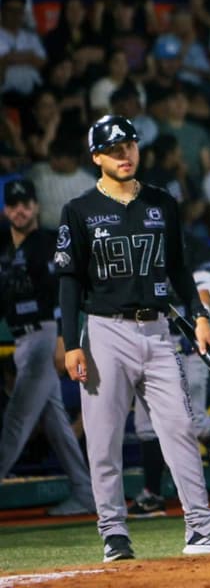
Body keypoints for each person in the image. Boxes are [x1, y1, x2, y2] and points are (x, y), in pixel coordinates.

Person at [55, 115, 210, 562]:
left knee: (181, 427)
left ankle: (201, 527)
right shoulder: (80, 210)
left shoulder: (162, 203)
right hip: (104, 331)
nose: (124, 154)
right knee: (104, 438)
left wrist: (199, 315)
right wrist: (71, 342)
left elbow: (182, 269)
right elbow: (69, 282)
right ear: (96, 158)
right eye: (113, 149)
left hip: (160, 329)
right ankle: (113, 533)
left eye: (128, 145)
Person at [129, 235, 210, 519]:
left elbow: (206, 296)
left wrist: (196, 315)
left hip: (187, 347)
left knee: (193, 420)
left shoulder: (191, 246)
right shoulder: (133, 241)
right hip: (150, 345)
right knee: (145, 423)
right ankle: (152, 495)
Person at [0, 179, 95, 516]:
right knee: (55, 422)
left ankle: (86, 492)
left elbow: (61, 292)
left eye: (25, 203)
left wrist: (61, 340)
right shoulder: (6, 249)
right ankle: (85, 491)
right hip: (22, 338)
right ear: (5, 209)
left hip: (44, 336)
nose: (20, 210)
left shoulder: (49, 241)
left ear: (36, 207)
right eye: (13, 205)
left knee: (15, 420)